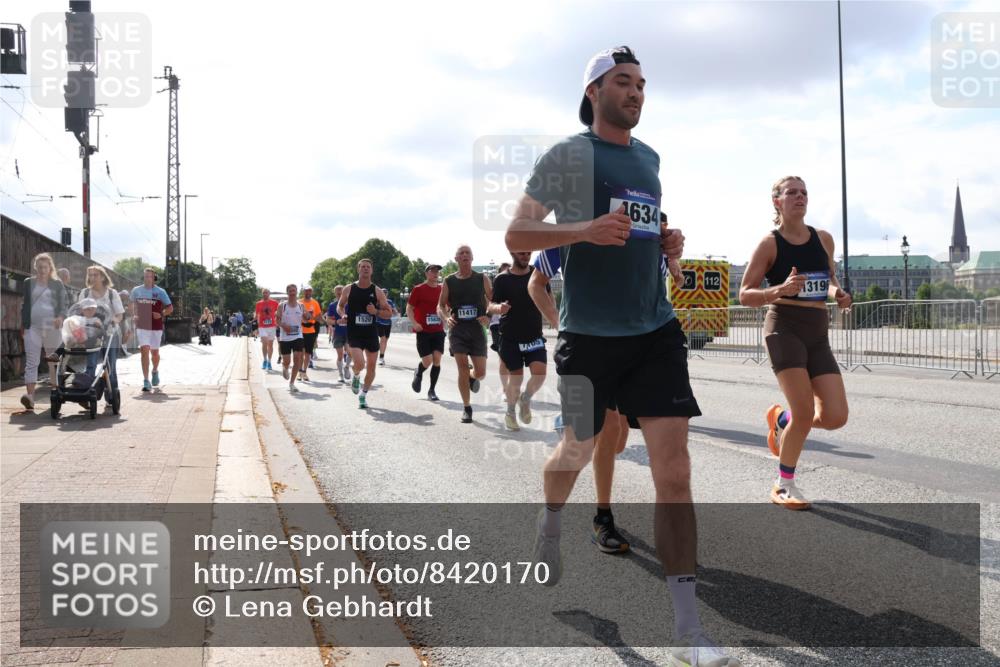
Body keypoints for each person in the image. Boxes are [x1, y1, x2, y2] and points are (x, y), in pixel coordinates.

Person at [506, 46, 738, 666]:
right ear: (594, 92)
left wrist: (666, 240)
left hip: (654, 332)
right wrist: (580, 230)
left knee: (675, 471)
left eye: (641, 83)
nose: (636, 92)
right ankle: (551, 521)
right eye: (622, 82)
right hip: (588, 337)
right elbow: (517, 235)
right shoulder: (568, 155)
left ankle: (688, 631)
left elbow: (638, 225)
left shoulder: (649, 158)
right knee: (577, 449)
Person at [739, 176, 852, 511]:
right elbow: (745, 294)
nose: (800, 197)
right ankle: (783, 483)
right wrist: (778, 290)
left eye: (804, 192)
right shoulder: (770, 244)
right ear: (777, 201)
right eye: (792, 192)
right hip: (784, 328)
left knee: (834, 416)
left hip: (817, 332)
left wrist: (838, 294)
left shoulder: (824, 239)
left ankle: (782, 421)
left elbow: (829, 279)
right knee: (805, 412)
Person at [489, 252, 546, 432]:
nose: (525, 255)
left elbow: (548, 297)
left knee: (540, 373)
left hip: (534, 335)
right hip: (510, 337)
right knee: (517, 377)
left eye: (528, 252)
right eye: (521, 252)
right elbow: (490, 306)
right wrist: (500, 308)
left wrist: (556, 318)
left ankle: (526, 399)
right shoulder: (501, 279)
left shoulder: (538, 273)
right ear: (513, 253)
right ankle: (511, 413)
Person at [438, 245, 491, 423]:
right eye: (461, 253)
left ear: (472, 258)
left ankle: (472, 376)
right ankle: (467, 408)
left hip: (477, 330)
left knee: (481, 373)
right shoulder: (449, 281)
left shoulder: (482, 278)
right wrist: (446, 317)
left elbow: (493, 300)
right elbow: (441, 305)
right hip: (458, 330)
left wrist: (488, 316)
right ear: (456, 259)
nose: (465, 255)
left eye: (468, 252)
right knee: (461, 368)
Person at [338, 259, 392, 409]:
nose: (365, 269)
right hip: (354, 332)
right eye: (363, 267)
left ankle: (363, 394)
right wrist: (343, 315)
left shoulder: (377, 291)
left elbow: (388, 313)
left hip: (370, 333)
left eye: (368, 267)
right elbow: (340, 306)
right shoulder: (349, 289)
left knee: (372, 368)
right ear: (358, 269)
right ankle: (356, 376)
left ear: (372, 270)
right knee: (360, 364)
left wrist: (376, 312)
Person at [19, 253, 68, 410]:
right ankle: (30, 397)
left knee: (53, 362)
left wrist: (60, 317)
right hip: (32, 327)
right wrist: (23, 324)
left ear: (50, 268)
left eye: (44, 267)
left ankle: (55, 395)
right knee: (32, 362)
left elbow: (63, 304)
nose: (41, 270)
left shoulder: (57, 284)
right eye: (39, 267)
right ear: (35, 267)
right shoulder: (28, 283)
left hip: (52, 328)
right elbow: (25, 304)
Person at [79, 266, 124, 398]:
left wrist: (114, 320)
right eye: (90, 275)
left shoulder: (112, 293)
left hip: (110, 334)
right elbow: (79, 312)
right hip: (92, 335)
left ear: (103, 277)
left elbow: (120, 314)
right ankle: (87, 393)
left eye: (95, 275)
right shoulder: (85, 293)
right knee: (91, 364)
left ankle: (112, 394)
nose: (92, 278)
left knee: (110, 365)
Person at [130, 268, 173, 392]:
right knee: (144, 350)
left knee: (154, 353)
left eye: (150, 276)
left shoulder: (160, 292)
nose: (148, 278)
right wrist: (133, 314)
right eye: (146, 276)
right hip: (142, 325)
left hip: (156, 326)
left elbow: (170, 308)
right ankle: (146, 380)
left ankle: (155, 370)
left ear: (154, 278)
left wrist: (161, 314)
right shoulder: (136, 291)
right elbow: (131, 305)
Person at [407, 264, 445, 401]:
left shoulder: (442, 290)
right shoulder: (419, 289)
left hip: (438, 330)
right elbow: (409, 308)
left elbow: (446, 307)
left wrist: (447, 318)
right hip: (423, 330)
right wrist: (414, 323)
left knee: (437, 359)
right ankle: (419, 371)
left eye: (437, 271)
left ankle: (432, 390)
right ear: (426, 274)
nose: (435, 274)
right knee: (427, 361)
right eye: (432, 271)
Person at [277, 283, 305, 392]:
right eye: (290, 291)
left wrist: (307, 316)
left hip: (298, 335)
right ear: (287, 292)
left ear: (296, 292)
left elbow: (306, 317)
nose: (293, 293)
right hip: (285, 337)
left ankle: (292, 383)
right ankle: (285, 367)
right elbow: (277, 320)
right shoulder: (282, 305)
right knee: (287, 361)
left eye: (294, 291)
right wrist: (284, 326)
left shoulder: (300, 305)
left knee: (298, 358)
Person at [325, 285, 351, 383]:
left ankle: (347, 367)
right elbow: (327, 320)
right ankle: (340, 375)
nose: (340, 294)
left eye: (342, 292)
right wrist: (336, 322)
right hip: (338, 333)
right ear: (335, 293)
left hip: (350, 333)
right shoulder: (332, 305)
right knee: (340, 355)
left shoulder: (351, 304)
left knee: (350, 352)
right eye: (338, 292)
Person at [299, 286, 323, 380]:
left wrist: (312, 317)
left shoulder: (315, 303)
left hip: (311, 330)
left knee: (308, 353)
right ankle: (299, 371)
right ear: (303, 292)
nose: (308, 292)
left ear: (311, 292)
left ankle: (304, 372)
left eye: (309, 291)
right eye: (306, 291)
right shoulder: (299, 302)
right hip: (300, 330)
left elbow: (319, 316)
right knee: (300, 353)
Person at [255, 289, 279, 369]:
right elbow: (257, 315)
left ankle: (269, 361)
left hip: (272, 326)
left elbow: (278, 313)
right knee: (264, 343)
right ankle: (264, 360)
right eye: (264, 293)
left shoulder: (275, 303)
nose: (265, 294)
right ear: (262, 294)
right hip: (262, 326)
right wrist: (256, 326)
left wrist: (277, 321)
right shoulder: (258, 304)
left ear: (269, 294)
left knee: (270, 344)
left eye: (266, 293)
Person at [376, 288, 398, 366]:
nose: (384, 294)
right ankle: (381, 358)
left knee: (385, 341)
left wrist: (392, 310)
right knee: (383, 339)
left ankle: (381, 355)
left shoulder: (390, 302)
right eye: (383, 292)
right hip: (379, 322)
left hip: (388, 323)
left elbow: (395, 313)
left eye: (386, 292)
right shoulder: (377, 301)